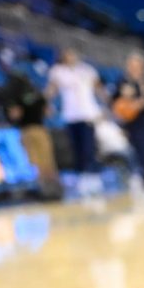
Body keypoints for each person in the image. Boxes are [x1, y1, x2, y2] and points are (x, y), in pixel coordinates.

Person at [47, 48, 104, 196]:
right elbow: (51, 90)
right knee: (76, 148)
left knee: (89, 147)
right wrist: (45, 103)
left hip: (88, 115)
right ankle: (82, 177)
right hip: (71, 116)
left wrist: (106, 107)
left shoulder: (87, 70)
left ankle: (93, 176)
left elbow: (100, 90)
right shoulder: (58, 71)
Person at [2, 63, 59, 198]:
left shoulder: (14, 96)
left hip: (26, 131)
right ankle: (55, 190)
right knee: (48, 162)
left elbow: (14, 115)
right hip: (40, 129)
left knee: (36, 163)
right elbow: (49, 112)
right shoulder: (37, 93)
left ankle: (45, 191)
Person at [115, 51, 144, 189]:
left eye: (137, 64)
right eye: (131, 65)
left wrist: (143, 100)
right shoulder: (123, 80)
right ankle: (135, 176)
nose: (134, 67)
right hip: (129, 122)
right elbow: (116, 100)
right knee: (133, 150)